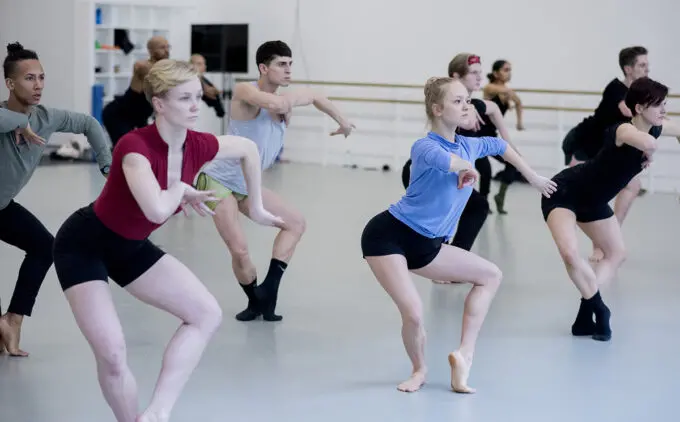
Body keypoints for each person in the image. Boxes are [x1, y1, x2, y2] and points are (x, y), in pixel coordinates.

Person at [51, 59, 282, 422]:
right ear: (158, 104)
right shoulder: (134, 147)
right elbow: (157, 210)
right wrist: (179, 189)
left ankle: (157, 413)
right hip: (83, 244)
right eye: (184, 98)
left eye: (197, 97)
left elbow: (248, 150)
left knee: (206, 314)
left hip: (131, 247)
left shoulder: (199, 144)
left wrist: (256, 205)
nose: (195, 106)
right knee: (112, 354)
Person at [361, 76, 556, 394]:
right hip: (388, 237)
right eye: (457, 101)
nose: (466, 106)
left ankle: (464, 356)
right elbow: (446, 161)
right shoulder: (424, 146)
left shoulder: (472, 143)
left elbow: (502, 146)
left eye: (467, 100)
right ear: (437, 109)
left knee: (491, 275)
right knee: (413, 311)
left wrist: (533, 177)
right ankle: (419, 369)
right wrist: (466, 167)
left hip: (429, 245)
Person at [195, 40, 355, 322]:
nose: (288, 70)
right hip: (217, 179)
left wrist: (341, 120)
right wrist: (302, 98)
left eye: (291, 64)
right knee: (240, 249)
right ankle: (255, 300)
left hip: (248, 183)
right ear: (263, 68)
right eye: (282, 64)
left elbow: (317, 97)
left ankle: (269, 290)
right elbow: (278, 102)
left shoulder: (286, 98)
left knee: (296, 223)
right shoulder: (246, 90)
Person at [541, 76, 679, 342]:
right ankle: (601, 311)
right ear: (639, 108)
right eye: (659, 104)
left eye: (665, 104)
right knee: (570, 254)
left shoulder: (656, 127)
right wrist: (649, 152)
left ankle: (587, 308)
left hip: (594, 201)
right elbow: (648, 143)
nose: (664, 110)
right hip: (566, 191)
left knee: (616, 254)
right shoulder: (621, 130)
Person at [0, 42, 112, 357]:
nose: (38, 86)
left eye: (41, 78)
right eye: (29, 79)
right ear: (10, 83)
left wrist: (106, 163)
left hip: (3, 207)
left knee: (43, 247)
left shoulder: (47, 117)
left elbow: (89, 124)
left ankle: (14, 319)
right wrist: (20, 123)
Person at [560, 46, 649, 261]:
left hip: (608, 148)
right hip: (584, 143)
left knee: (632, 185)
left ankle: (610, 234)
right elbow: (629, 111)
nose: (647, 69)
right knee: (592, 195)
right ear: (628, 69)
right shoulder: (616, 88)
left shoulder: (639, 92)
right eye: (642, 65)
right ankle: (600, 243)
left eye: (648, 65)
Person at [102, 36, 170, 147]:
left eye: (168, 47)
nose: (166, 50)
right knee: (128, 148)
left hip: (139, 118)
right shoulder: (144, 67)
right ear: (151, 50)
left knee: (150, 147)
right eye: (162, 47)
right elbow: (140, 66)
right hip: (117, 115)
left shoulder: (165, 71)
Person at [482, 59, 525, 213]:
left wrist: (519, 122)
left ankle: (500, 196)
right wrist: (510, 95)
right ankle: (483, 203)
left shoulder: (506, 91)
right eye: (506, 69)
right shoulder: (490, 88)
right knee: (485, 170)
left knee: (513, 162)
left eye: (510, 69)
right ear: (495, 73)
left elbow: (519, 103)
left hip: (491, 136)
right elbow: (494, 90)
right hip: (478, 136)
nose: (509, 73)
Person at [189, 53, 225, 118]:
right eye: (199, 64)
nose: (203, 66)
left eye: (204, 64)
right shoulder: (188, 81)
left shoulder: (205, 81)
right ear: (191, 65)